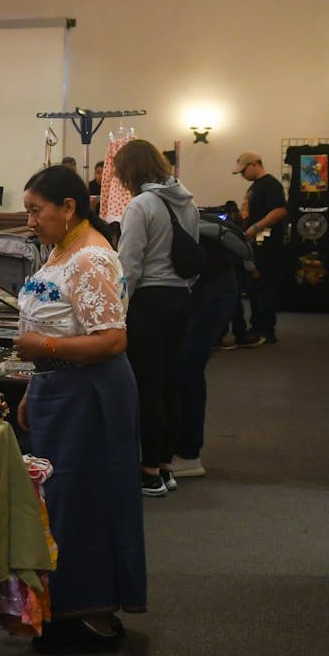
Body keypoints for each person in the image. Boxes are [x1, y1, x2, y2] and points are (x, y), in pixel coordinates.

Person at [0, 164, 143, 653]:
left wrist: (41, 350)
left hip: (90, 393)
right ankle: (64, 605)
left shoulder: (90, 258)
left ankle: (90, 610)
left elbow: (111, 340)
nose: (29, 220)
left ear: (68, 208)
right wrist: (33, 387)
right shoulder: (61, 250)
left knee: (85, 499)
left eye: (36, 210)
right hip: (59, 387)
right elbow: (52, 325)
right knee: (59, 500)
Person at [114, 138, 198, 497]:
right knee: (171, 383)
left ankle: (147, 472)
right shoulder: (187, 201)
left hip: (148, 300)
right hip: (181, 297)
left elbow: (129, 265)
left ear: (129, 171)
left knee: (147, 385)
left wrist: (118, 308)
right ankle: (165, 465)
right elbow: (192, 255)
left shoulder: (141, 205)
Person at [174, 211, 255, 478]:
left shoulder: (154, 211)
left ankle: (188, 454)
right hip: (218, 290)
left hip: (211, 294)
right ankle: (185, 449)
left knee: (188, 370)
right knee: (189, 370)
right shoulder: (179, 206)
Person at [232, 151, 288, 345]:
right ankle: (257, 326)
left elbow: (280, 210)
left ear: (255, 164)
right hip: (256, 245)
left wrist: (256, 227)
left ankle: (265, 329)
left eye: (243, 171)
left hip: (269, 246)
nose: (242, 175)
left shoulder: (271, 185)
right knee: (256, 287)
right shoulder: (256, 187)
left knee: (265, 287)